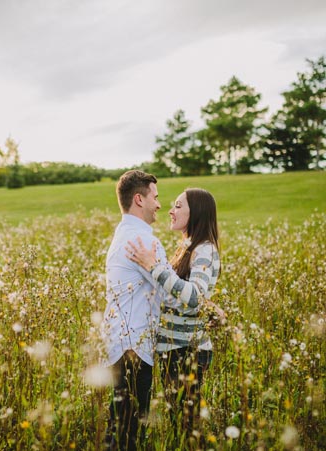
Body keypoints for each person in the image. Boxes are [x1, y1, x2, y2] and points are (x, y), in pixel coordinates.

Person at [126, 187, 221, 445]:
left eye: (178, 206)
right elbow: (191, 297)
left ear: (196, 213)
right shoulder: (189, 246)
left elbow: (193, 296)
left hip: (187, 351)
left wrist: (152, 266)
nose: (170, 210)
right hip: (175, 349)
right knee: (182, 423)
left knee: (189, 426)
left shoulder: (205, 250)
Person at [102, 170, 168, 451]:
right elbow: (170, 294)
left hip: (119, 342)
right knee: (128, 431)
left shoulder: (123, 234)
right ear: (139, 199)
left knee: (119, 423)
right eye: (156, 197)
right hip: (135, 347)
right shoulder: (145, 241)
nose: (160, 204)